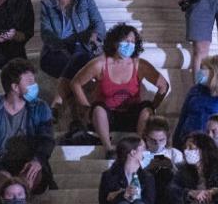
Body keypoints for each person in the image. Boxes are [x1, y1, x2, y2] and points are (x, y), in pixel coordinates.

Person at [70, 23, 169, 155]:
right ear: (115, 42)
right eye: (126, 41)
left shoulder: (139, 64)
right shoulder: (100, 64)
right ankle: (109, 148)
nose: (129, 45)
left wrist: (153, 107)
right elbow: (75, 83)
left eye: (133, 42)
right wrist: (86, 108)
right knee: (98, 108)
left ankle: (138, 146)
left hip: (132, 116)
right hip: (107, 116)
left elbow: (163, 85)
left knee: (146, 108)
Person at [0, 58, 55, 196]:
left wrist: (38, 160)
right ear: (15, 87)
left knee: (30, 176)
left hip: (30, 161)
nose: (35, 85)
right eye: (30, 82)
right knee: (2, 182)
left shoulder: (41, 107)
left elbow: (47, 139)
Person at [38, 0, 105, 114]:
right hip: (56, 53)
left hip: (84, 49)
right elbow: (46, 34)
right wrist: (62, 46)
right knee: (77, 60)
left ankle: (57, 106)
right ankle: (85, 109)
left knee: (78, 58)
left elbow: (98, 23)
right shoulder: (47, 5)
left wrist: (95, 36)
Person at [174, 55, 218, 148]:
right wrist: (176, 142)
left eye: (203, 69)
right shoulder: (195, 90)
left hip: (214, 143)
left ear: (214, 72)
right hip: (189, 141)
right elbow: (183, 117)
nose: (199, 72)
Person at [139, 117, 184, 204]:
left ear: (167, 138)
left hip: (169, 193)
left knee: (165, 175)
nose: (157, 145)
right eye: (153, 141)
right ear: (146, 137)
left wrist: (172, 168)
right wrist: (148, 169)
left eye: (161, 140)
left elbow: (183, 179)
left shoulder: (174, 153)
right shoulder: (141, 155)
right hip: (147, 193)